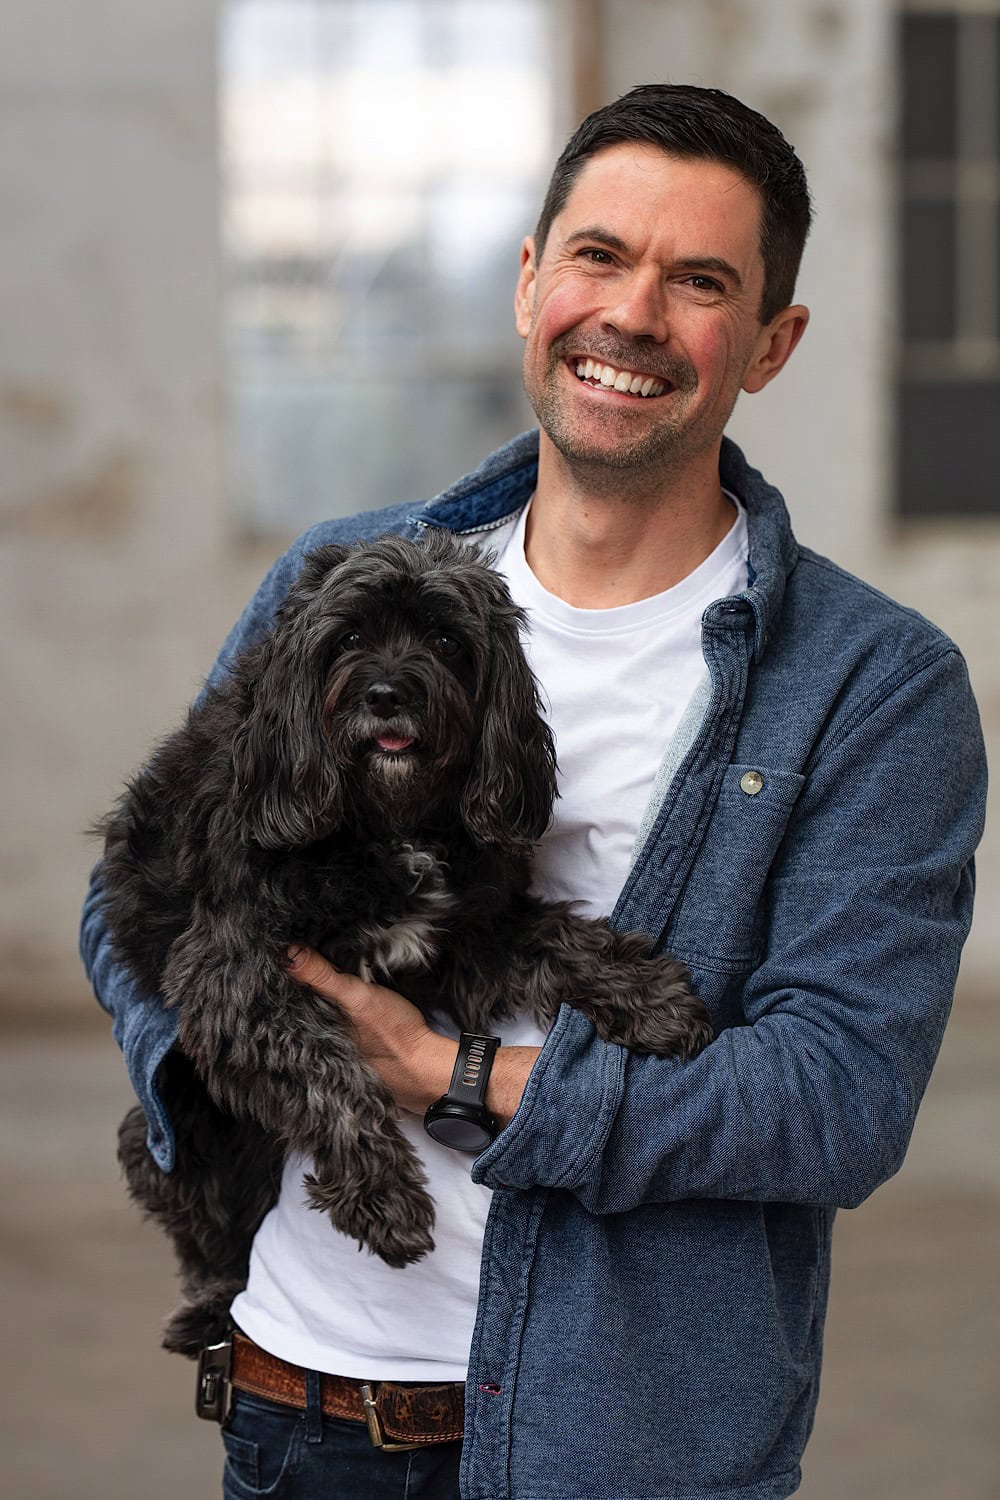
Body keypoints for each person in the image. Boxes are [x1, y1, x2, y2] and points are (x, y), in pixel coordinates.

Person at [81, 83, 986, 1500]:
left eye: (700, 282)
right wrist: (225, 1059)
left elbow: (835, 1102)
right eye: (598, 255)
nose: (630, 316)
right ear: (529, 282)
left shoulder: (871, 687)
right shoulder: (339, 575)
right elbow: (140, 890)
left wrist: (448, 1074)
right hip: (296, 1409)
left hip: (620, 1452)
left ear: (771, 341)